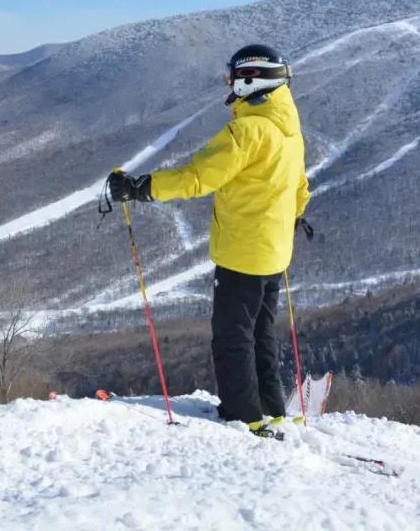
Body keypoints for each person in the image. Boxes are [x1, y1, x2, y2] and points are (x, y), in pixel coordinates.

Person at [107, 44, 310, 427]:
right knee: (261, 334)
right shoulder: (289, 127)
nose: (230, 83)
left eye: (235, 76)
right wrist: (293, 216)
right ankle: (271, 409)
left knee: (232, 337)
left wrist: (140, 188)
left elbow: (197, 176)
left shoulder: (248, 130)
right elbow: (299, 185)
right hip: (274, 253)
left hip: (242, 254)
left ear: (253, 80)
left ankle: (243, 414)